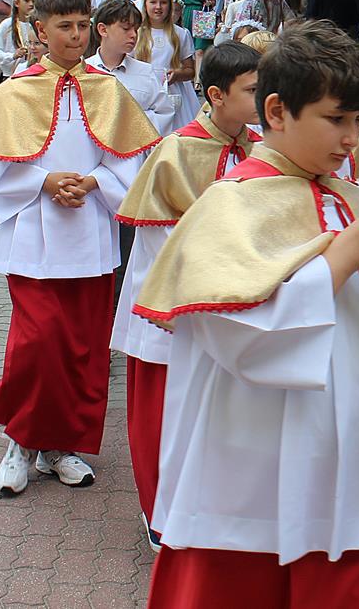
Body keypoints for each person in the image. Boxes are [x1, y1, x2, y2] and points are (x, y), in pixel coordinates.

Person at [135, 23, 359, 607]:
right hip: (259, 459)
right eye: (336, 118)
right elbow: (239, 340)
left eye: (358, 119)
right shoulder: (229, 205)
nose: (352, 138)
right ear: (276, 111)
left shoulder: (352, 199)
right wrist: (342, 257)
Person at [0, 0, 162, 496]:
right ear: (40, 29)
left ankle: (60, 447)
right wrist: (44, 181)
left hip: (91, 230)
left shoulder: (108, 90)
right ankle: (19, 441)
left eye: (81, 26)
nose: (75, 36)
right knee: (36, 343)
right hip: (33, 233)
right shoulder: (16, 91)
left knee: (82, 347)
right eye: (64, 26)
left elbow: (130, 160)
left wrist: (94, 182)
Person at [110, 41, 261, 550]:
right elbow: (162, 242)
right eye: (253, 90)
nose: (265, 99)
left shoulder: (261, 147)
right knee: (162, 414)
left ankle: (212, 508)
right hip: (170, 312)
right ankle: (160, 512)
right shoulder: (176, 151)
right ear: (217, 95)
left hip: (233, 308)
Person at [88, 0, 175, 136]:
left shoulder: (145, 72)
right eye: (126, 28)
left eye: (135, 29)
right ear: (103, 30)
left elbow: (164, 113)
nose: (133, 35)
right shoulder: (84, 71)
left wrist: (130, 125)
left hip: (136, 147)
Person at [134, 0, 202, 133]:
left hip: (172, 94)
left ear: (170, 6)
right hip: (144, 92)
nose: (158, 7)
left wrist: (178, 74)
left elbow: (190, 70)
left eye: (163, 2)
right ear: (145, 4)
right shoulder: (136, 33)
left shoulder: (180, 34)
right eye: (153, 2)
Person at [0, 0, 43, 80]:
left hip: (32, 73)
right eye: (26, 1)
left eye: (33, 1)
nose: (31, 4)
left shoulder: (37, 24)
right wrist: (13, 55)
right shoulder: (7, 24)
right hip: (10, 74)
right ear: (17, 3)